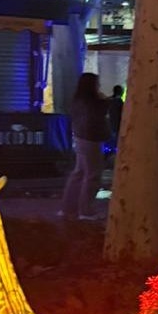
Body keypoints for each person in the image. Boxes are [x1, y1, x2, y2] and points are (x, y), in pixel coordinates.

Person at [59, 72, 109, 221]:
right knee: (93, 175)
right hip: (91, 138)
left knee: (79, 173)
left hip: (80, 137)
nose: (99, 86)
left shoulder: (78, 100)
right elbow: (99, 114)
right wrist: (104, 101)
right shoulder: (92, 102)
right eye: (97, 83)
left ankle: (68, 208)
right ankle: (86, 211)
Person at [107, 84, 125, 152]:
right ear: (121, 92)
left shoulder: (109, 100)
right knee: (116, 143)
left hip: (109, 124)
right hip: (117, 125)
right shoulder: (120, 102)